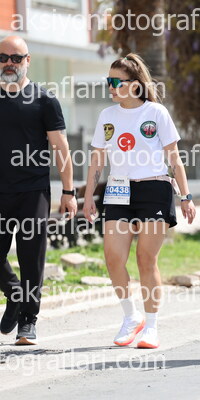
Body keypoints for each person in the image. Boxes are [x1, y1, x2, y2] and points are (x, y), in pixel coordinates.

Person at [83, 53, 196, 349]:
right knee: (113, 257)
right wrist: (88, 196)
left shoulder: (156, 112)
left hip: (154, 189)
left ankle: (152, 326)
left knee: (146, 258)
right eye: (108, 81)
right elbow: (97, 160)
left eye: (115, 82)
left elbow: (174, 158)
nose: (110, 87)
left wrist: (186, 197)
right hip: (118, 191)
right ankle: (131, 317)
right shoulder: (107, 116)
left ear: (134, 85)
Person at [0, 36, 77, 345]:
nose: (9, 63)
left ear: (27, 61)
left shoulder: (44, 100)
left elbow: (61, 147)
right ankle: (14, 293)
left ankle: (28, 321)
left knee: (32, 257)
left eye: (16, 58)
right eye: (3, 58)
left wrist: (69, 192)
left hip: (33, 191)